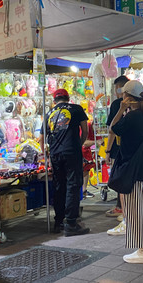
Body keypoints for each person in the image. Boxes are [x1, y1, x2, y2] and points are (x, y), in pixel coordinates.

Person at [107, 80, 143, 264]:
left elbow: (113, 128)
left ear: (127, 97)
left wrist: (119, 110)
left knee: (135, 211)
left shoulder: (132, 117)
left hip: (135, 170)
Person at [40, 88, 90, 236]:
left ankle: (58, 222)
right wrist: (78, 144)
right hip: (71, 152)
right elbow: (85, 131)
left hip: (55, 154)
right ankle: (71, 223)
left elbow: (41, 138)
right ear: (68, 98)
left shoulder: (49, 114)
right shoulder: (76, 109)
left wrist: (47, 156)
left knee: (59, 186)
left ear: (54, 101)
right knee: (73, 185)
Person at [104, 75, 129, 219]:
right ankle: (126, 208)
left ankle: (121, 208)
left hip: (119, 148)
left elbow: (112, 130)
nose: (115, 91)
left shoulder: (117, 105)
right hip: (133, 147)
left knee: (119, 177)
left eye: (116, 88)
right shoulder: (139, 104)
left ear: (121, 88)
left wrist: (108, 151)